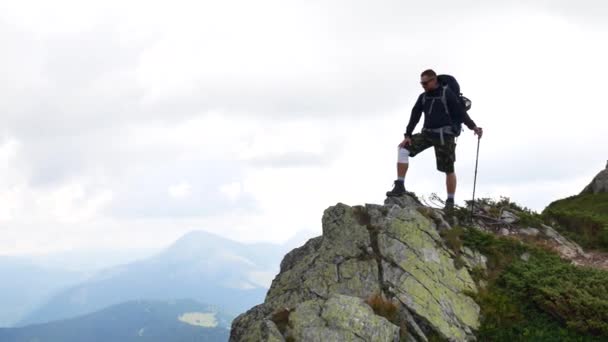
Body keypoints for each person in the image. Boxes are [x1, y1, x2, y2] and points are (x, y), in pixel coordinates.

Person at [386, 69, 483, 212]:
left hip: (446, 135)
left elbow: (460, 112)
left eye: (425, 83)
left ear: (434, 80)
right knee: (403, 149)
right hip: (428, 133)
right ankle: (400, 185)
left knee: (448, 169)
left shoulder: (446, 93)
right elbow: (415, 115)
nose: (423, 85)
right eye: (421, 83)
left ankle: (450, 202)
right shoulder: (423, 97)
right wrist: (407, 135)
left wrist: (473, 127)